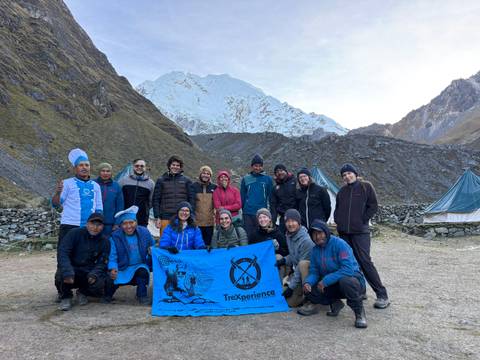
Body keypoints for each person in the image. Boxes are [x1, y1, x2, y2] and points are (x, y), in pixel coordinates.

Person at [334, 163, 390, 309]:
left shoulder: (366, 186)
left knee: (365, 261)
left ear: (355, 173)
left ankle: (382, 295)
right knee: (351, 263)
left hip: (360, 232)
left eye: (349, 173)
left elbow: (373, 205)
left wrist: (362, 220)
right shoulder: (342, 191)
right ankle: (360, 290)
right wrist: (339, 222)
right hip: (345, 233)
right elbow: (338, 209)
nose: (347, 176)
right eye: (344, 175)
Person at [297, 220, 368, 329]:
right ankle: (335, 303)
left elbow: (348, 269)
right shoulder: (315, 251)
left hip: (353, 282)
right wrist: (308, 282)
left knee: (347, 281)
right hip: (333, 284)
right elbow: (314, 272)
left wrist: (326, 280)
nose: (318, 237)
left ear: (326, 232)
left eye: (320, 233)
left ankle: (359, 313)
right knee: (310, 291)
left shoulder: (339, 244)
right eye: (314, 234)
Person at [52, 148, 103, 299]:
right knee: (65, 257)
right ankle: (63, 290)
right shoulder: (66, 184)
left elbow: (99, 209)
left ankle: (83, 289)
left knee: (87, 259)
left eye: (87, 165)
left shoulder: (95, 186)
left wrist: (98, 226)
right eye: (81, 165)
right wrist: (57, 192)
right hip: (70, 226)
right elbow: (55, 204)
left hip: (89, 229)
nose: (84, 167)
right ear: (75, 168)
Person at [56, 213, 109, 311]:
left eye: (99, 225)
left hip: (88, 270)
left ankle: (83, 292)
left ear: (103, 227)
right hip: (72, 267)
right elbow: (63, 252)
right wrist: (68, 271)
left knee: (100, 282)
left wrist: (94, 274)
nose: (95, 227)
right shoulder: (74, 233)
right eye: (92, 223)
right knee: (60, 276)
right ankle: (66, 296)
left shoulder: (104, 241)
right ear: (87, 223)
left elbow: (102, 261)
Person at [106, 206, 156, 305]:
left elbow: (153, 246)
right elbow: (112, 256)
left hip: (139, 266)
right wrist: (113, 268)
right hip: (122, 267)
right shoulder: (115, 237)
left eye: (131, 222)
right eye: (125, 223)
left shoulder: (144, 232)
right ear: (120, 225)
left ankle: (141, 295)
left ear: (136, 222)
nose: (128, 226)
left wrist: (151, 251)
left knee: (143, 272)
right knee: (110, 279)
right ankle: (107, 295)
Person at [275, 209, 314, 307]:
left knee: (289, 303)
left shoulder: (306, 241)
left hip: (306, 275)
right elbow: (294, 256)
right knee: (280, 296)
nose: (290, 224)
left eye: (293, 221)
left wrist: (291, 288)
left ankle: (309, 297)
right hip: (296, 273)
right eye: (287, 221)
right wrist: (283, 260)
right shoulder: (289, 235)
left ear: (299, 222)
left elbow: (300, 266)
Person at [153, 156, 195, 237]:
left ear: (180, 167)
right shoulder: (161, 180)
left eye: (177, 165)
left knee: (180, 241)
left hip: (181, 217)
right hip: (165, 216)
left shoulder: (187, 181)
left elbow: (192, 199)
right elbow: (156, 199)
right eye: (173, 165)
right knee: (165, 241)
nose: (175, 167)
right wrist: (157, 217)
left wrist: (191, 215)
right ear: (169, 166)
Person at [240, 154, 274, 238]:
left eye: (260, 166)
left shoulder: (268, 179)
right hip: (248, 212)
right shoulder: (245, 179)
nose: (257, 168)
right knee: (249, 235)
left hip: (262, 213)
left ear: (262, 167)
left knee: (262, 235)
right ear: (252, 166)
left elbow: (271, 197)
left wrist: (270, 212)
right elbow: (242, 197)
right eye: (255, 166)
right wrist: (244, 209)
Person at [118, 159, 155, 227]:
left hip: (142, 218)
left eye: (142, 166)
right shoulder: (123, 181)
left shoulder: (151, 184)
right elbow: (119, 197)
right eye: (137, 166)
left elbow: (151, 201)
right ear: (133, 167)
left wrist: (144, 209)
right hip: (125, 217)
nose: (139, 168)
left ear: (145, 168)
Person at [94, 162, 124, 237]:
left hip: (109, 224)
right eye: (103, 171)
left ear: (111, 173)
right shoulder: (93, 184)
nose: (105, 173)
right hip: (93, 221)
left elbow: (119, 206)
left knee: (107, 245)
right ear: (99, 172)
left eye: (108, 171)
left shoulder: (116, 186)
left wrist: (117, 223)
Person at [191, 165, 217, 246]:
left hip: (210, 222)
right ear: (200, 174)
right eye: (204, 173)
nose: (205, 175)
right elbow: (191, 203)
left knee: (208, 244)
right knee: (197, 244)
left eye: (208, 174)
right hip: (197, 222)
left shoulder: (214, 187)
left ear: (210, 176)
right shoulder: (194, 186)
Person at [271, 164, 297, 235]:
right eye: (277, 172)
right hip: (283, 217)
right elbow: (273, 205)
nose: (279, 173)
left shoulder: (295, 181)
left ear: (285, 171)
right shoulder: (275, 188)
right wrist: (273, 221)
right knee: (282, 238)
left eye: (281, 170)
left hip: (296, 216)